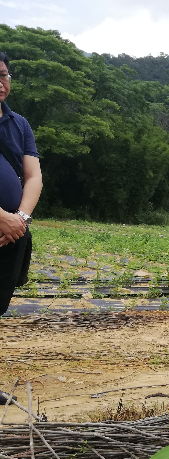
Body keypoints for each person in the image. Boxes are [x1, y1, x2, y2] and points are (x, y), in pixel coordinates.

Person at [0, 51, 43, 316]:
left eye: (3, 75)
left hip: (11, 234)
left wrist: (20, 219)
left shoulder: (20, 124)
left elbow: (33, 176)